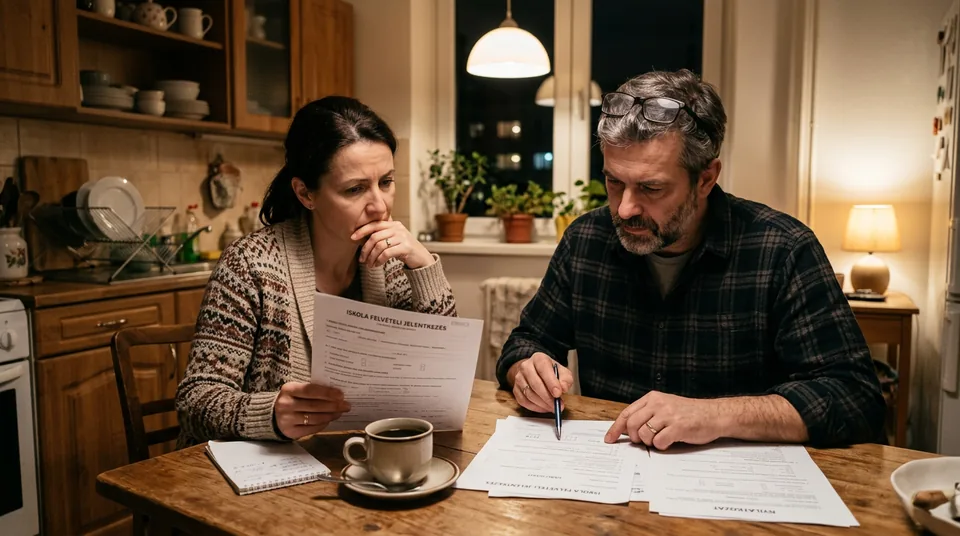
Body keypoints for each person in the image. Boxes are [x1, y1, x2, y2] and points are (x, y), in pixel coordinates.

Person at [496, 69, 885, 450]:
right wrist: (527, 370)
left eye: (651, 188)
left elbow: (854, 398)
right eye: (614, 182)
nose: (626, 208)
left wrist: (713, 416)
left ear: (706, 178)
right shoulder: (586, 240)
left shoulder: (782, 249)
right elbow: (527, 342)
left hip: (740, 493)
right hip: (610, 479)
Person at [176, 96, 457, 446]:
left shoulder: (393, 264)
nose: (380, 206)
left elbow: (443, 372)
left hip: (350, 457)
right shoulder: (250, 264)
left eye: (386, 182)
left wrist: (424, 264)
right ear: (306, 193)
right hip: (258, 471)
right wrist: (271, 414)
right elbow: (195, 400)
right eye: (355, 189)